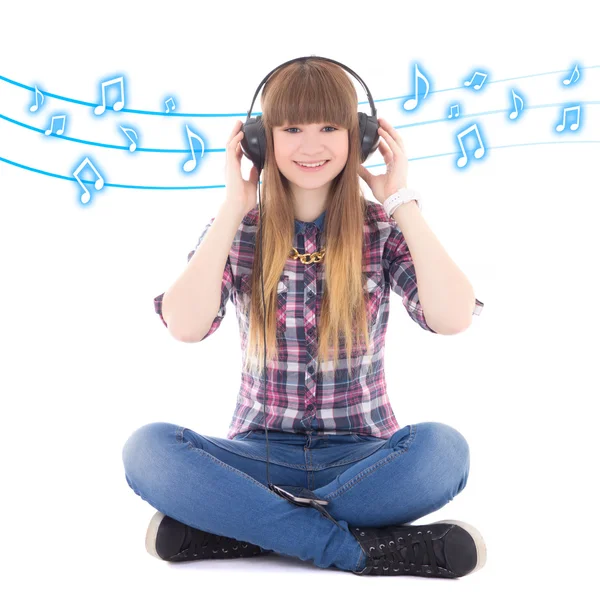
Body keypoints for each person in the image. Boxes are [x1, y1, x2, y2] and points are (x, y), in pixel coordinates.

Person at [122, 57, 487, 578]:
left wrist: (400, 201)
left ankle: (246, 527)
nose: (310, 146)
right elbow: (185, 325)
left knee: (445, 452)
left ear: (358, 137)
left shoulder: (381, 229)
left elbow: (452, 317)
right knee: (148, 450)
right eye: (291, 128)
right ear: (258, 139)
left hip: (366, 461)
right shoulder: (239, 230)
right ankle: (360, 550)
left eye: (329, 128)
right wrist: (232, 207)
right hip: (258, 457)